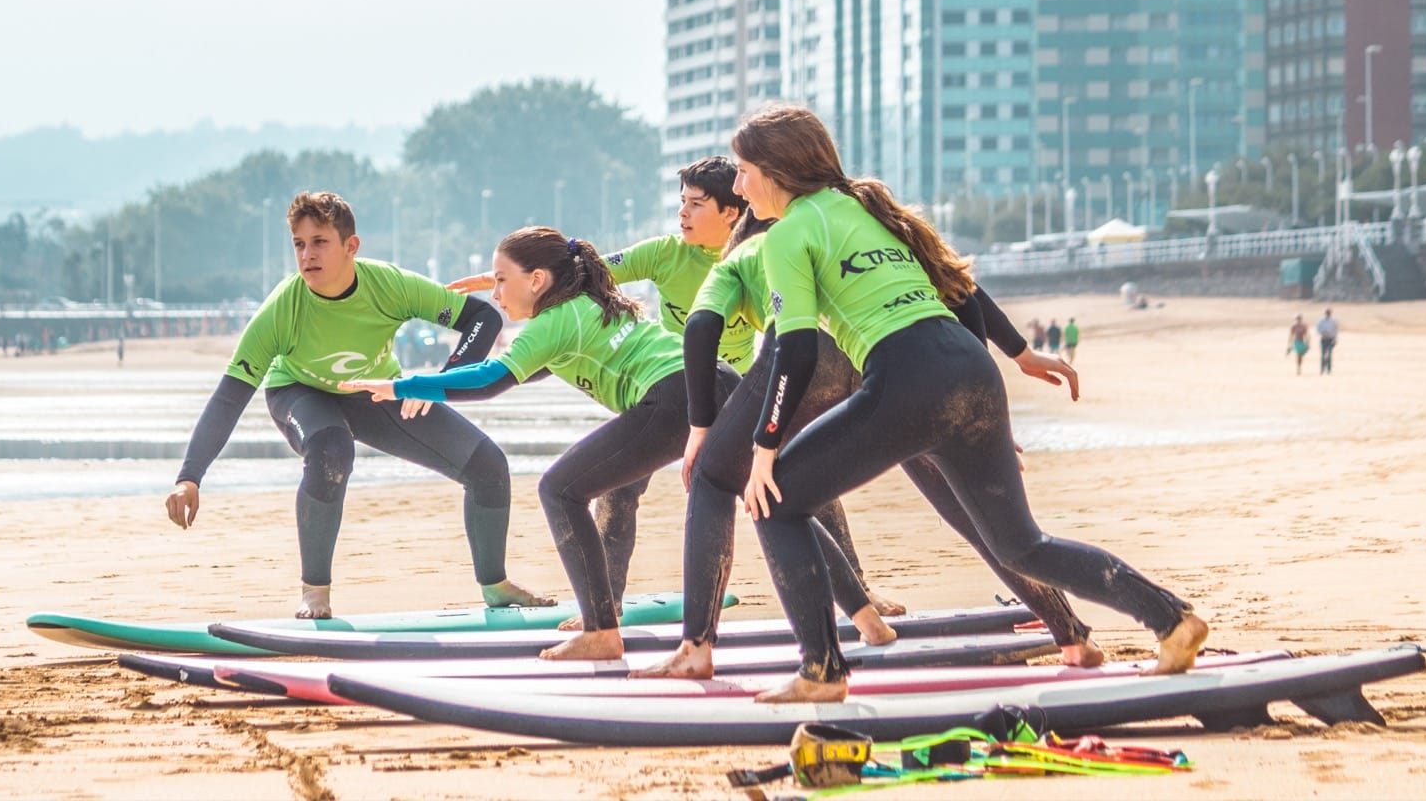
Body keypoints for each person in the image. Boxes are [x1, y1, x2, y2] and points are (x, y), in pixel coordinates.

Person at [728, 105, 1206, 703]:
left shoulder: (793, 230)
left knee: (775, 504)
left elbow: (794, 351)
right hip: (967, 367)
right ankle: (1171, 619)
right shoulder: (869, 209)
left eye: (745, 171)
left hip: (905, 376)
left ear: (777, 170)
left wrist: (764, 446)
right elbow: (961, 287)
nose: (739, 187)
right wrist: (1020, 355)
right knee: (1021, 544)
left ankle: (822, 671)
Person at [630, 213, 1101, 681]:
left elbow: (699, 325)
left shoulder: (748, 252)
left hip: (808, 355)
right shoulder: (842, 229)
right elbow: (959, 289)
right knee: (972, 512)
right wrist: (1013, 363)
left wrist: (699, 427)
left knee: (719, 477)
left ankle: (697, 646)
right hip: (886, 358)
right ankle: (1071, 635)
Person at [343, 226, 740, 660]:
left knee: (560, 489)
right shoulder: (584, 303)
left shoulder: (555, 321)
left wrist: (403, 385)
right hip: (718, 380)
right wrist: (433, 382)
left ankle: (601, 632)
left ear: (536, 280)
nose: (495, 294)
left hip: (674, 395)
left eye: (500, 280)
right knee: (774, 501)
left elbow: (489, 379)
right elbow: (511, 373)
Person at [163, 191, 550, 619]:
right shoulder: (283, 309)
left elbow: (482, 318)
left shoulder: (388, 286)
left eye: (320, 242)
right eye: (299, 244)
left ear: (351, 246)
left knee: (488, 465)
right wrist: (190, 477)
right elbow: (230, 396)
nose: (307, 254)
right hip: (299, 392)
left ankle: (495, 586)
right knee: (331, 451)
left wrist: (436, 384)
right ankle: (315, 592)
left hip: (373, 390)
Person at [448, 157, 767, 610]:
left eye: (696, 205)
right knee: (619, 488)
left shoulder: (754, 258)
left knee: (773, 481)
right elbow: (584, 268)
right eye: (682, 202)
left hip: (730, 389)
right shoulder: (665, 253)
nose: (682, 214)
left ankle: (856, 590)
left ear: (732, 211)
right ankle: (607, 604)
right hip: (665, 388)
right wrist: (515, 279)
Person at [1316, 309, 1339, 374]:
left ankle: (1329, 369)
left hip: (1330, 339)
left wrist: (1335, 338)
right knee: (1323, 355)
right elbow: (1318, 329)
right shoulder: (1321, 321)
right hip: (1323, 339)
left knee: (1329, 354)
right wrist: (1323, 334)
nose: (1328, 314)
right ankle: (1322, 369)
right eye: (1327, 313)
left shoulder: (1333, 321)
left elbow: (1336, 331)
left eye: (1329, 313)